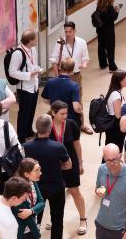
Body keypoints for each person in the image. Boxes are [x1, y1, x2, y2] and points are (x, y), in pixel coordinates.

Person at [23, 114, 72, 239]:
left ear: (36, 128)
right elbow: (69, 165)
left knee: (34, 218)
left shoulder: (27, 147)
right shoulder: (58, 147)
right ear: (50, 129)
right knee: (57, 220)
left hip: (36, 189)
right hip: (56, 188)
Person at [49, 100, 87, 235]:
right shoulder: (47, 125)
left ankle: (83, 219)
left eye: (66, 113)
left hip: (71, 164)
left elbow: (77, 145)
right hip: (54, 166)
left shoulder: (71, 124)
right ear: (53, 113)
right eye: (62, 113)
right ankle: (55, 220)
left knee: (75, 191)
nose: (65, 116)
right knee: (55, 194)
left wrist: (80, 162)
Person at [49, 21, 93, 135]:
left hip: (76, 75)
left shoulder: (82, 42)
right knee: (60, 100)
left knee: (78, 100)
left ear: (74, 31)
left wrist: (84, 64)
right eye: (66, 32)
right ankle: (56, 123)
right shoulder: (60, 43)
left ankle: (82, 124)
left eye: (70, 31)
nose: (68, 34)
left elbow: (86, 58)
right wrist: (57, 75)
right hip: (62, 76)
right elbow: (54, 60)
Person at [95, 144, 126, 239]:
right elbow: (97, 188)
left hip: (120, 228)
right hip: (101, 223)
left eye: (114, 160)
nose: (111, 163)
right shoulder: (102, 169)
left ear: (120, 156)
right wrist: (98, 192)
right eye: (108, 160)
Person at [9, 30, 41, 143]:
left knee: (31, 110)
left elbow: (34, 64)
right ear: (31, 40)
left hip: (34, 85)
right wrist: (28, 75)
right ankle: (21, 137)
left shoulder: (33, 49)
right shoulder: (17, 53)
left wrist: (36, 70)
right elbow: (12, 72)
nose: (37, 40)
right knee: (24, 113)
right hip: (24, 88)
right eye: (35, 38)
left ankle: (29, 131)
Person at [42, 57, 83, 128]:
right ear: (72, 71)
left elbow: (45, 100)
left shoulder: (50, 82)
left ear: (60, 67)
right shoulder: (74, 86)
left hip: (55, 118)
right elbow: (76, 107)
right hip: (70, 120)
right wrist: (81, 112)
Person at [12, 158, 45, 239]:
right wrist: (37, 235)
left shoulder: (32, 181)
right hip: (23, 232)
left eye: (39, 169)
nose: (40, 173)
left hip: (33, 227)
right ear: (26, 174)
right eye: (36, 170)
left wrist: (31, 211)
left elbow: (42, 202)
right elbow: (26, 217)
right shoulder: (17, 190)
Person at [96, 0, 120, 72]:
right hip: (108, 31)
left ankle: (102, 64)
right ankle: (112, 67)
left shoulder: (99, 6)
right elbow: (113, 17)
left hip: (100, 30)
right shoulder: (109, 7)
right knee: (110, 48)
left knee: (101, 46)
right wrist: (117, 11)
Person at [105, 70, 126, 154]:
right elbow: (118, 115)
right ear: (120, 81)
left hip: (112, 125)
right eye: (125, 79)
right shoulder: (116, 95)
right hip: (115, 126)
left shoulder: (115, 92)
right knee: (115, 151)